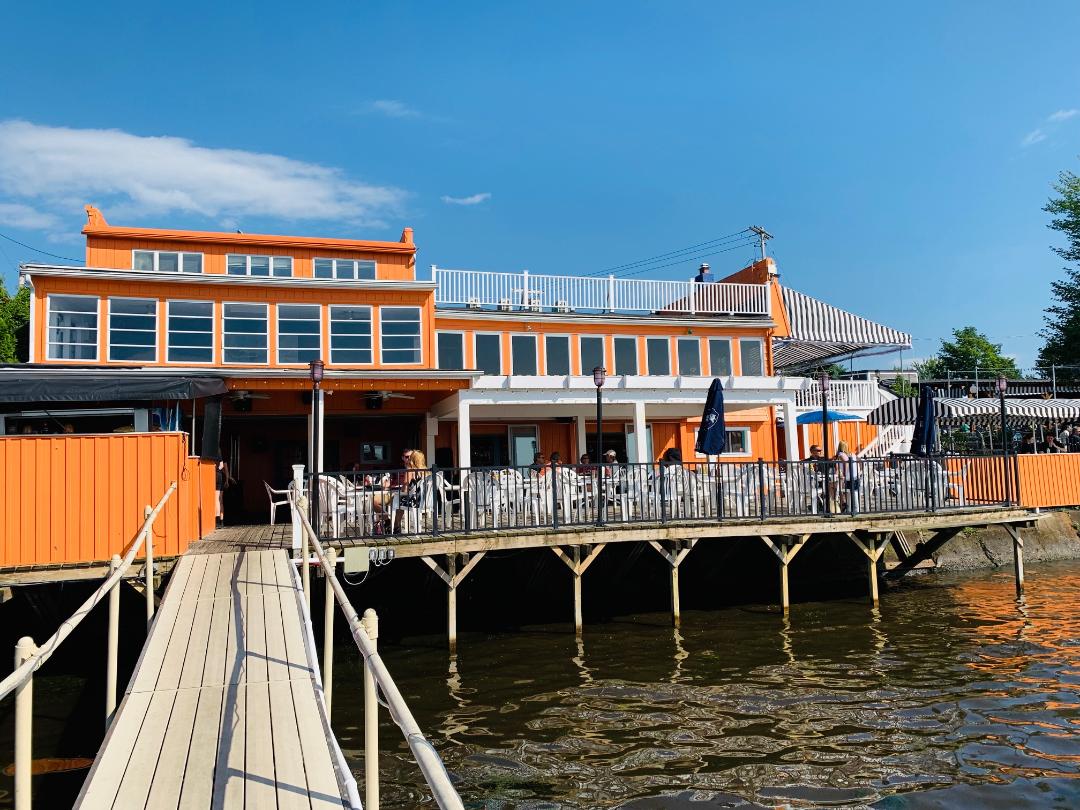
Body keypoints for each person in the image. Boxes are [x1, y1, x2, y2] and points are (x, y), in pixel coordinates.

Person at [834, 441, 859, 511]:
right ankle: (852, 509)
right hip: (854, 475)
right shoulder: (852, 454)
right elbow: (858, 461)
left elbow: (846, 463)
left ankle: (852, 509)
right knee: (852, 492)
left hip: (848, 476)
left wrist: (844, 473)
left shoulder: (841, 454)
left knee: (849, 492)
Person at [214, 459, 235, 528]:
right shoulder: (223, 458)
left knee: (217, 500)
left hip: (217, 477)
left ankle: (217, 521)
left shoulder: (214, 456)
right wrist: (227, 480)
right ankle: (221, 521)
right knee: (220, 501)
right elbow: (226, 469)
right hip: (222, 479)